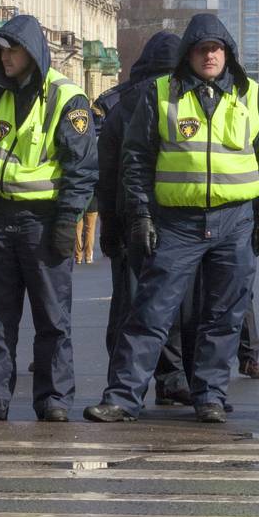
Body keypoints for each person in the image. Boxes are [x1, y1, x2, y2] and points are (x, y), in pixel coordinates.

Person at [85, 13, 259, 423]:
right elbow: (135, 159)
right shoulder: (160, 94)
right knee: (151, 313)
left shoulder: (250, 96)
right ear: (188, 54)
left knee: (224, 315)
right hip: (177, 222)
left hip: (235, 220)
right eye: (201, 49)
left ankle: (209, 395)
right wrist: (140, 213)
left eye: (216, 48)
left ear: (226, 52)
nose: (209, 56)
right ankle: (123, 397)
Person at [0, 14, 97, 422]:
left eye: (13, 49)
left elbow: (82, 169)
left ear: (32, 52)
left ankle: (54, 398)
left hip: (44, 219)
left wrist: (66, 221)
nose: (5, 57)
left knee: (52, 318)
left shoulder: (67, 98)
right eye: (1, 50)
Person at [96, 30, 196, 407]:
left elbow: (106, 173)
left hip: (131, 219)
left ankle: (123, 383)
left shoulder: (118, 103)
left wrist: (109, 223)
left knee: (132, 306)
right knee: (174, 307)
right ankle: (172, 380)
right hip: (178, 220)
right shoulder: (184, 99)